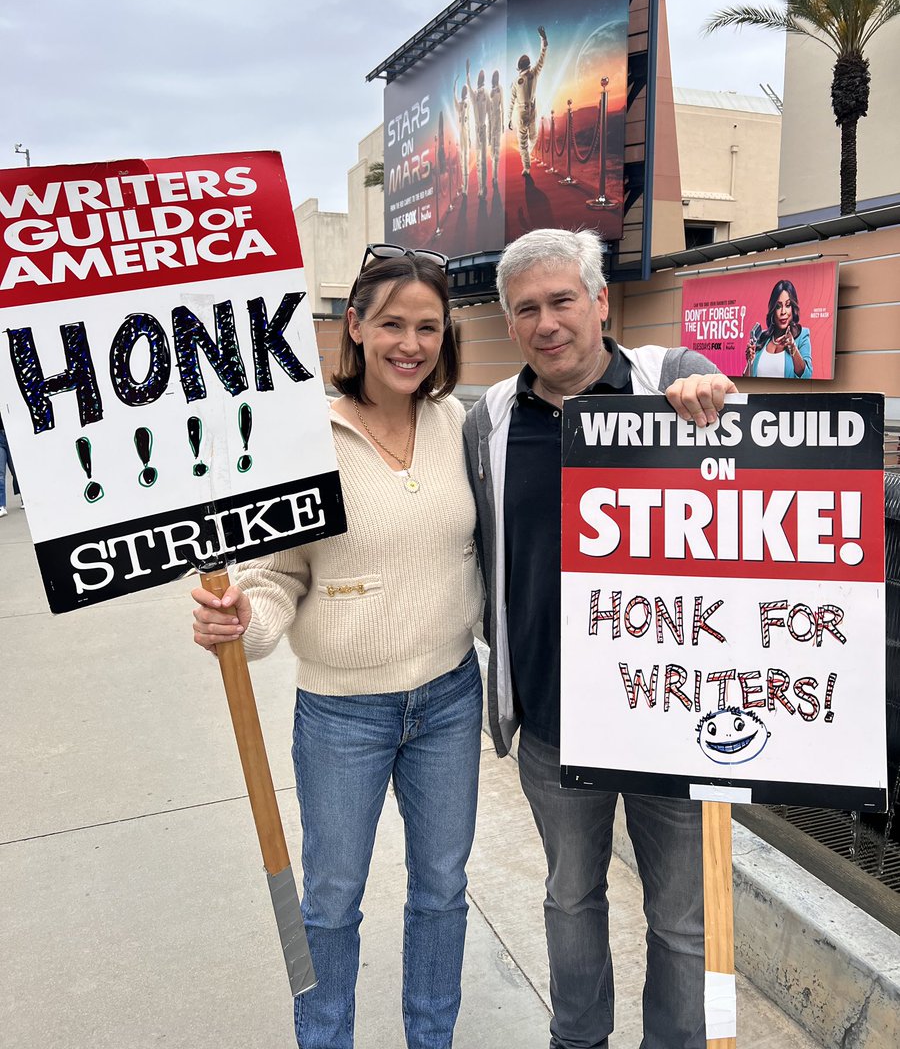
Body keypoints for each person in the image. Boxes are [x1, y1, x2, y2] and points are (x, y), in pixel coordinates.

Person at [192, 245, 483, 1049]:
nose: (411, 343)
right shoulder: (301, 439)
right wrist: (240, 621)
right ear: (354, 325)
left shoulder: (459, 422)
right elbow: (275, 577)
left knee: (443, 890)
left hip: (451, 700)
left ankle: (433, 1038)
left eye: (428, 326)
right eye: (392, 323)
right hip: (341, 715)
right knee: (327, 900)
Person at [462, 228, 737, 1049]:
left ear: (601, 302)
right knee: (570, 898)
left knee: (682, 920)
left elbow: (755, 451)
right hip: (555, 723)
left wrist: (715, 391)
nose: (547, 323)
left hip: (673, 720)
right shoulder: (491, 423)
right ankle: (577, 1042)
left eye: (561, 301)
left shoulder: (672, 384)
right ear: (510, 325)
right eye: (526, 310)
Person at [744, 279, 812, 379]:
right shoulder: (761, 338)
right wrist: (749, 362)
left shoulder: (802, 336)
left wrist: (793, 349)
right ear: (773, 309)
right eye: (778, 306)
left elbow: (806, 376)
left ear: (793, 308)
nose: (783, 311)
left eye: (788, 305)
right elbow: (747, 381)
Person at [508, 25, 548, 175]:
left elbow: (511, 102)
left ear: (519, 68)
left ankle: (526, 167)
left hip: (521, 113)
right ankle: (527, 160)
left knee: (523, 143)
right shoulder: (534, 72)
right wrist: (543, 40)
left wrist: (509, 120)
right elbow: (542, 58)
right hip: (532, 112)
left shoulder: (516, 81)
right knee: (533, 138)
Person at [466, 58, 489, 199]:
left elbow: (490, 111)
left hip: (483, 129)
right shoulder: (474, 95)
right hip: (477, 129)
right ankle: (481, 188)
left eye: (482, 77)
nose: (480, 79)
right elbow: (468, 87)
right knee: (479, 161)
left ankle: (483, 186)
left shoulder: (485, 93)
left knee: (483, 160)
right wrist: (467, 73)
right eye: (479, 77)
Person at [453, 77, 471, 196]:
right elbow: (456, 104)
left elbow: (468, 121)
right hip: (460, 133)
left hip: (465, 132)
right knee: (461, 160)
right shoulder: (460, 105)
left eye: (465, 91)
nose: (464, 92)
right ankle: (463, 186)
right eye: (463, 91)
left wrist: (469, 137)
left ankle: (466, 188)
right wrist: (454, 90)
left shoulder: (467, 104)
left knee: (465, 159)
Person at [0, 411, 20, 517]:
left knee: (16, 471)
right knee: (0, 474)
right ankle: (1, 505)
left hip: (10, 433)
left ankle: (24, 499)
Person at [488, 69, 504, 189]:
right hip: (490, 124)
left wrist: (503, 123)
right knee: (492, 152)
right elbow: (488, 112)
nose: (495, 78)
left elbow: (502, 105)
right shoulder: (490, 92)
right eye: (494, 77)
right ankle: (494, 175)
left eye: (497, 77)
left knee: (497, 152)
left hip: (498, 121)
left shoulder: (500, 89)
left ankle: (495, 177)